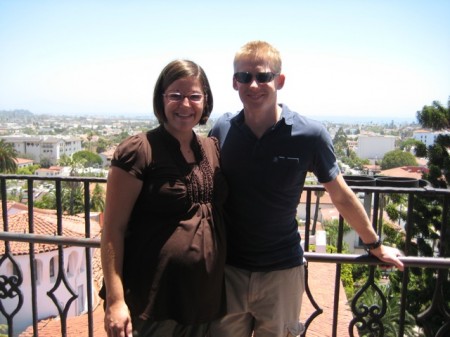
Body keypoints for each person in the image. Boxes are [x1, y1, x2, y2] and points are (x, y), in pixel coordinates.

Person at [209, 40, 404, 337]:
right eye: (244, 77)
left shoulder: (309, 134)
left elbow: (339, 194)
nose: (253, 84)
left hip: (282, 273)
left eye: (263, 76)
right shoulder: (222, 129)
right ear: (234, 82)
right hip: (229, 269)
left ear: (280, 80)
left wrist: (374, 244)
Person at [100, 59, 227, 337]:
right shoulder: (138, 150)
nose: (185, 105)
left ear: (206, 101)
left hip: (205, 304)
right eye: (175, 96)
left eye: (194, 96)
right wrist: (115, 300)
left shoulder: (211, 148)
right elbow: (112, 230)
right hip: (153, 306)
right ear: (162, 99)